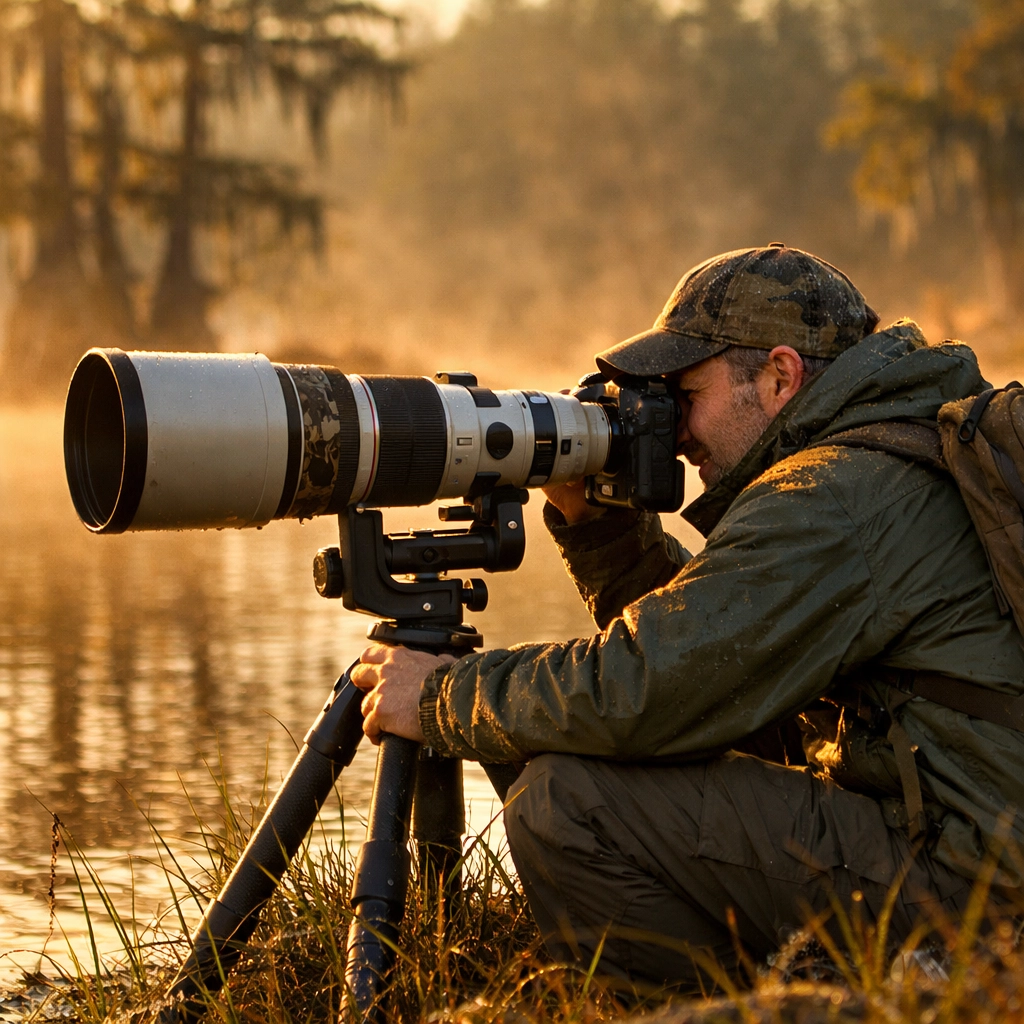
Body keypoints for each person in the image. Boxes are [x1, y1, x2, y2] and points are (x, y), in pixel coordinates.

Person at [350, 244, 1024, 988]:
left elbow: (644, 687)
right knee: (633, 752)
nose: (673, 428)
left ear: (778, 376)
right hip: (976, 845)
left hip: (977, 897)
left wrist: (442, 697)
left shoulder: (832, 496)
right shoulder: (897, 441)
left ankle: (744, 1005)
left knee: (568, 804)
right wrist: (601, 527)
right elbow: (719, 675)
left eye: (686, 392)